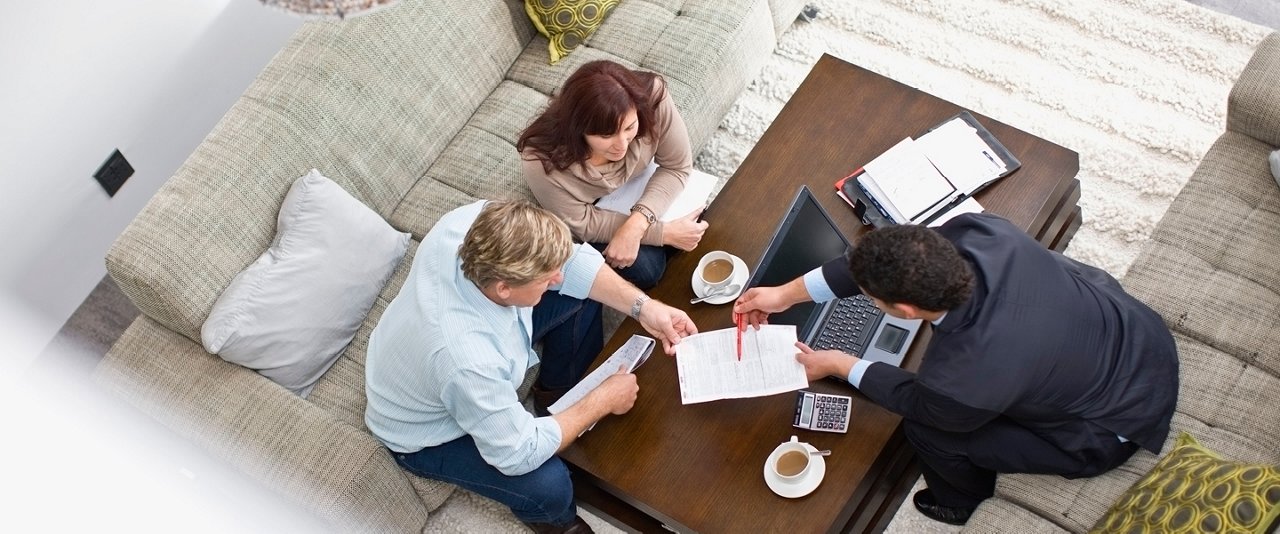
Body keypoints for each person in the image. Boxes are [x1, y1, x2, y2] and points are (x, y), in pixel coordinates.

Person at [733, 212, 1178, 526]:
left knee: (929, 432)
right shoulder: (979, 231)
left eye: (871, 297)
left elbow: (921, 403)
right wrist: (786, 294)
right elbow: (877, 261)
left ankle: (960, 501)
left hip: (1113, 426)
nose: (866, 296)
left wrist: (837, 362)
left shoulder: (960, 378)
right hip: (1143, 338)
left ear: (905, 310)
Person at [365, 200, 697, 534]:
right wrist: (600, 402)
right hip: (424, 431)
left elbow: (573, 263)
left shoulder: (477, 221)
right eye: (545, 278)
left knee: (580, 289)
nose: (559, 276)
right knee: (550, 486)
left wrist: (645, 308)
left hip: (443, 359)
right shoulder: (467, 359)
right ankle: (557, 523)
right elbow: (517, 453)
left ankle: (556, 396)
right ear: (504, 288)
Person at [518, 60, 708, 289]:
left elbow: (677, 166)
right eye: (606, 135)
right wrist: (664, 233)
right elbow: (583, 223)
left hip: (639, 196)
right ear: (578, 130)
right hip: (598, 211)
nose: (621, 145)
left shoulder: (653, 97)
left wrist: (637, 224)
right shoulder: (541, 161)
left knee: (706, 219)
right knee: (649, 268)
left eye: (629, 127)